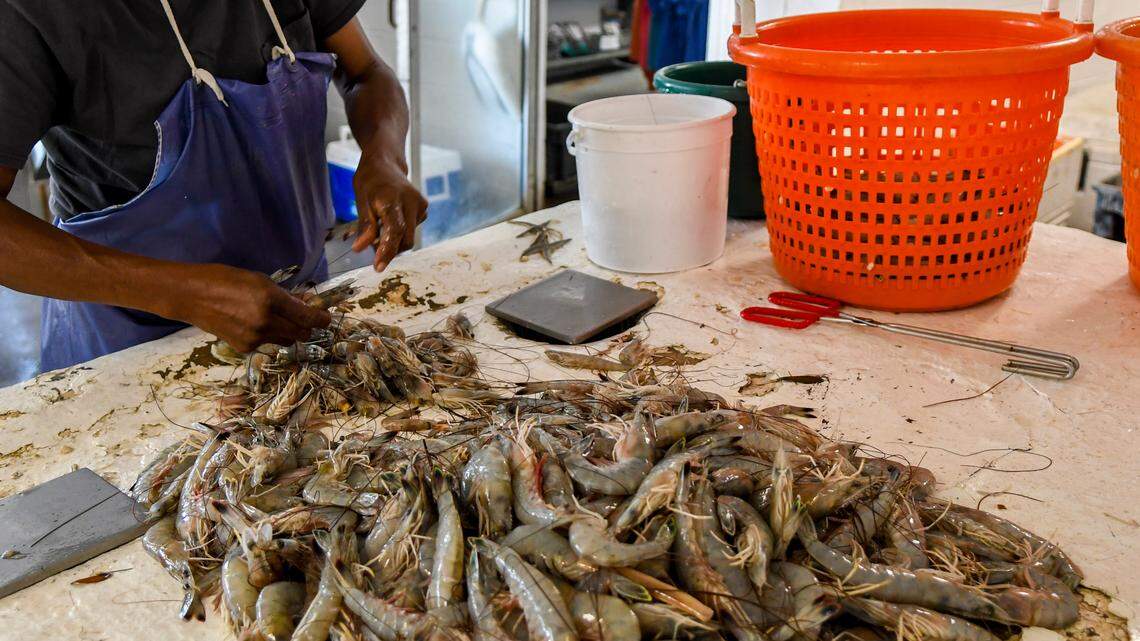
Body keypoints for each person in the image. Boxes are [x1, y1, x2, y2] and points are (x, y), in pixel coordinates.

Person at [0, 0, 427, 371]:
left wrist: (384, 157)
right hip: (128, 339)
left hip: (296, 309)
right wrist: (182, 293)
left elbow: (367, 72)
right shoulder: (31, 14)